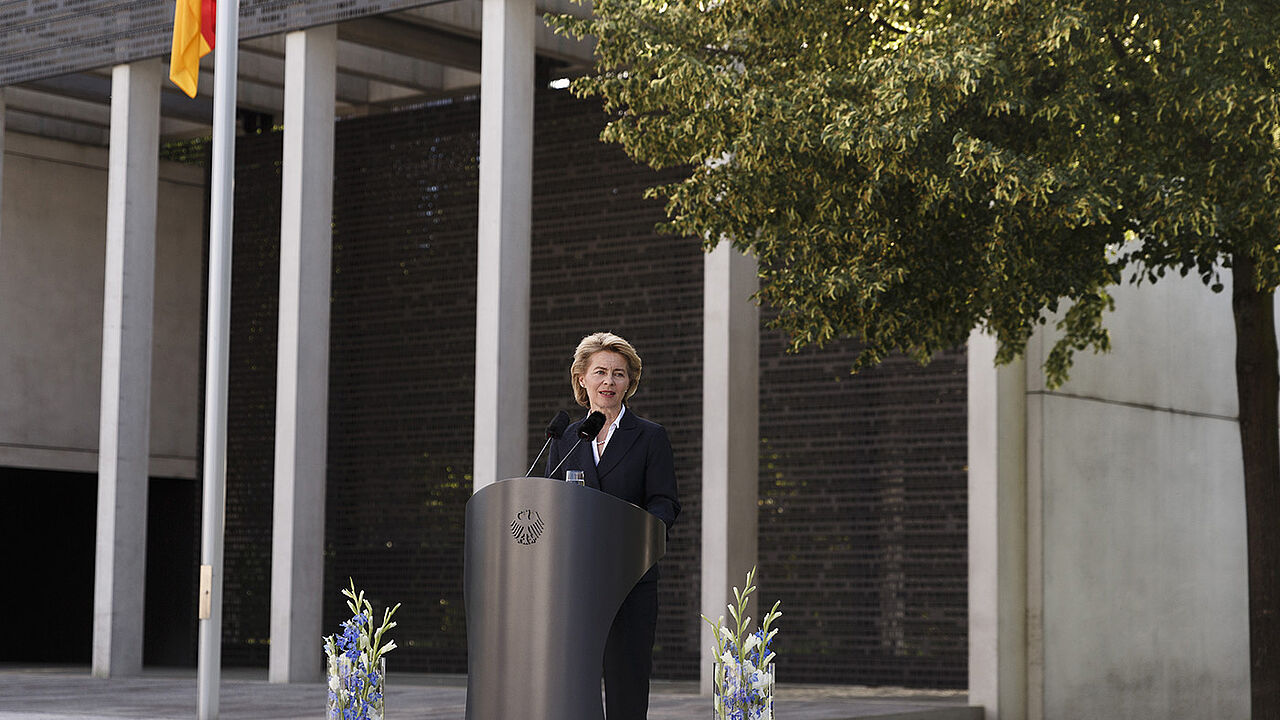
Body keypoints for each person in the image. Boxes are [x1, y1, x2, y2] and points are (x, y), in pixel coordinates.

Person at [546, 331, 680, 720]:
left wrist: (637, 536)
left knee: (626, 685)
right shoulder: (566, 437)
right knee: (574, 685)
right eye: (600, 372)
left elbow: (665, 503)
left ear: (629, 383)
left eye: (619, 374)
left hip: (630, 580)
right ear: (582, 379)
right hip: (577, 584)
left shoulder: (651, 437)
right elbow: (553, 502)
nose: (609, 382)